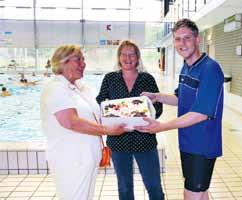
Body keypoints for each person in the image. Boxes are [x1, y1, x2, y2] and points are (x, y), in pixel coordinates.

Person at [136, 18, 224, 200]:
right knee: (200, 193)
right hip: (188, 141)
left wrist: (161, 126)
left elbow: (200, 113)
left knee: (191, 193)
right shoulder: (186, 67)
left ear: (197, 39)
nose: (181, 44)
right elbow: (180, 99)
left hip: (202, 144)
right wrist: (157, 96)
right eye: (177, 39)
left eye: (187, 38)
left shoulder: (210, 69)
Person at [40, 44, 127, 200]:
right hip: (71, 160)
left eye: (83, 59)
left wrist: (129, 114)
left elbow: (97, 114)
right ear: (62, 62)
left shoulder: (80, 88)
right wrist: (109, 130)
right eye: (78, 59)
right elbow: (71, 122)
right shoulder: (56, 89)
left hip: (87, 159)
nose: (83, 63)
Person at [96, 40, 164, 200]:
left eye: (132, 54)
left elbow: (158, 107)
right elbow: (100, 102)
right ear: (119, 57)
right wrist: (108, 115)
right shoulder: (110, 78)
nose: (128, 58)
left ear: (138, 57)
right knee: (125, 187)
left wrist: (148, 117)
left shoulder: (147, 79)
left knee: (154, 186)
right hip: (118, 140)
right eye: (124, 54)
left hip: (145, 139)